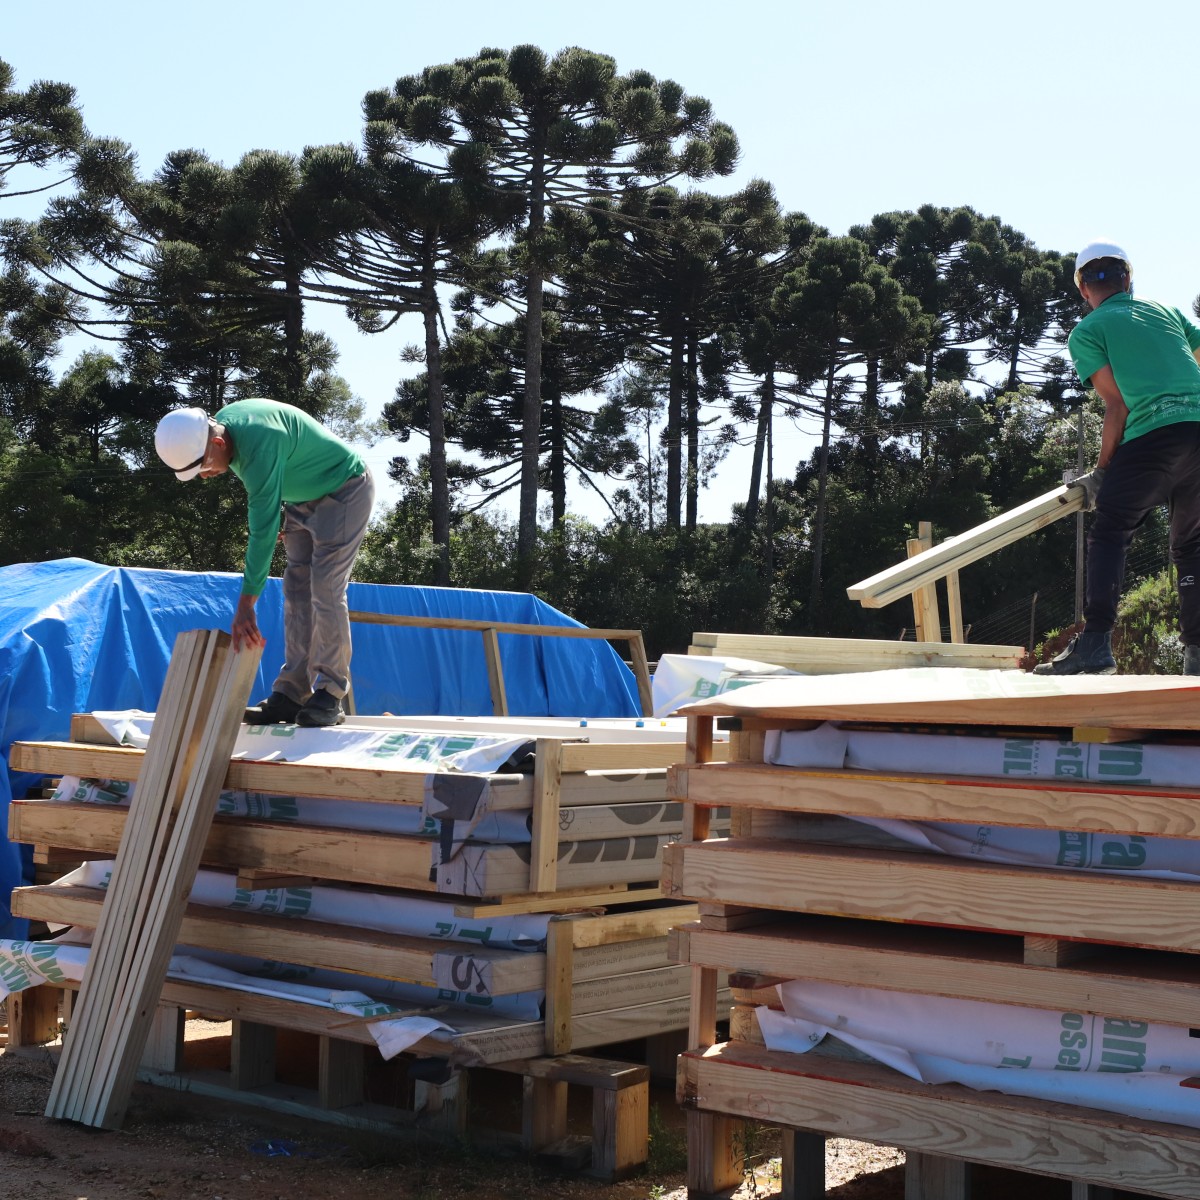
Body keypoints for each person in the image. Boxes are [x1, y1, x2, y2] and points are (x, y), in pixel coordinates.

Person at [154, 398, 375, 725]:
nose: (205, 476)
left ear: (217, 444)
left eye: (203, 467)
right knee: (296, 590)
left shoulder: (258, 445)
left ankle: (331, 692)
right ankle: (292, 692)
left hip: (345, 490)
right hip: (300, 499)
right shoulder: (224, 428)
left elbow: (263, 533)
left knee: (326, 587)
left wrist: (247, 604)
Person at [1036, 241, 1200, 676]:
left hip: (1153, 437)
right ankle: (1198, 658)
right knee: (1191, 546)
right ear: (1128, 278)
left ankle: (1094, 646)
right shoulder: (1167, 312)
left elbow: (1117, 406)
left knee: (1111, 530)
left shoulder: (1088, 331)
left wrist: (1102, 471)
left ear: (1083, 289)